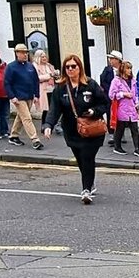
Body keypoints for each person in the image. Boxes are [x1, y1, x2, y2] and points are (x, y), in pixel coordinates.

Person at [43, 54, 108, 204]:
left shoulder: (90, 84)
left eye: (74, 66)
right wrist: (48, 125)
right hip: (72, 131)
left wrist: (94, 112)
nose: (71, 69)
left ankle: (86, 189)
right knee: (81, 160)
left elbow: (104, 103)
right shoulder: (60, 88)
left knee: (87, 157)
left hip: (92, 130)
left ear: (80, 68)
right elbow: (54, 109)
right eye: (68, 67)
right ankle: (89, 182)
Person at [4, 43, 43, 149]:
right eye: (22, 52)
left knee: (21, 117)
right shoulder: (11, 67)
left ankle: (13, 135)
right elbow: (7, 83)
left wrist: (36, 95)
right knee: (27, 118)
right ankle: (35, 140)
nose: (25, 55)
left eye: (26, 52)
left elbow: (35, 81)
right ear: (17, 53)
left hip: (29, 96)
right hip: (18, 97)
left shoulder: (30, 66)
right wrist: (12, 96)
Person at [109, 59, 139, 157]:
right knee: (120, 129)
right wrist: (123, 94)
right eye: (128, 68)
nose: (130, 70)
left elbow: (136, 94)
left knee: (135, 129)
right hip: (122, 108)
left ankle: (137, 149)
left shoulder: (133, 80)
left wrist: (137, 103)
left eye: (130, 68)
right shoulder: (116, 81)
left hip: (132, 108)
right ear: (123, 69)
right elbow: (111, 95)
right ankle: (117, 147)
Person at [100, 50, 123, 145]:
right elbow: (103, 81)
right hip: (110, 97)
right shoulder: (107, 70)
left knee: (121, 115)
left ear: (117, 60)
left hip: (121, 96)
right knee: (110, 114)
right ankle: (111, 133)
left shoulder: (123, 69)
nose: (110, 60)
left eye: (112, 59)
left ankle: (121, 133)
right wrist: (111, 90)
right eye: (110, 58)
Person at [33, 49, 56, 127]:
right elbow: (36, 78)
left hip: (51, 88)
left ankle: (50, 124)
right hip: (42, 88)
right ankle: (44, 124)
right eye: (42, 57)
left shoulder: (48, 65)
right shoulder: (35, 66)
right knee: (45, 108)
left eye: (45, 57)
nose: (44, 58)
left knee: (51, 107)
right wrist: (49, 76)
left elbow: (53, 74)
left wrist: (55, 74)